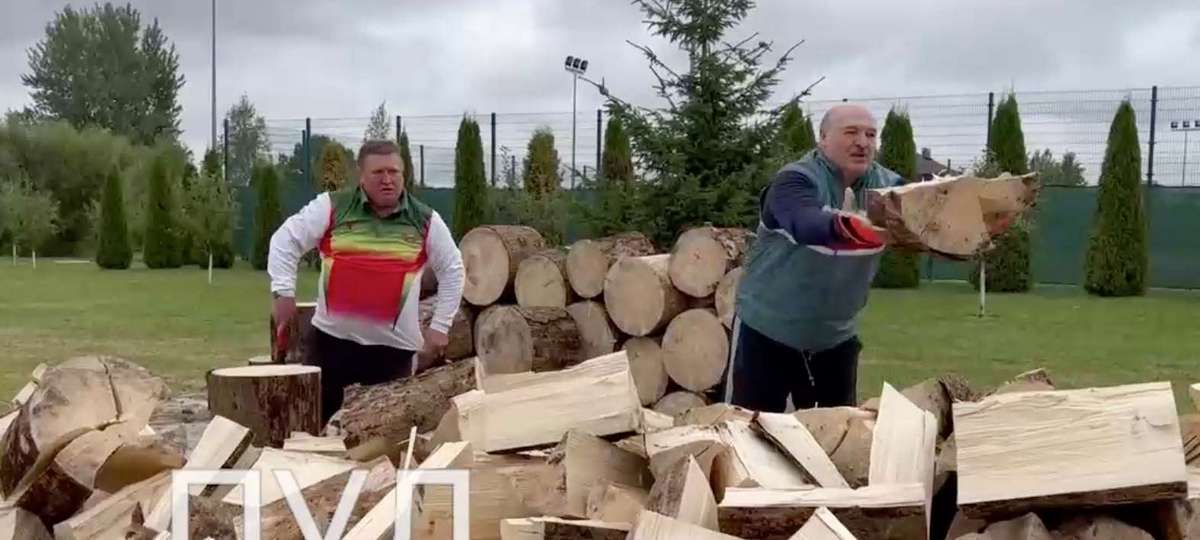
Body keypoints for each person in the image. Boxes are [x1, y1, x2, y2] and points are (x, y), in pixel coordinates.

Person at [268, 140, 464, 424]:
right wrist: (283, 292)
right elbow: (285, 240)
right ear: (361, 176)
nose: (387, 180)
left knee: (383, 439)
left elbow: (453, 270)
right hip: (330, 346)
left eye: (394, 172)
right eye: (378, 172)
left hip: (393, 355)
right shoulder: (333, 207)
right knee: (313, 433)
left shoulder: (425, 220)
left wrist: (440, 327)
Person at [726, 104, 900, 412]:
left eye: (871, 135)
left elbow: (930, 219)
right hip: (767, 334)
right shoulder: (795, 181)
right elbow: (805, 223)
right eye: (851, 132)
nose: (862, 142)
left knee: (837, 435)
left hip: (836, 340)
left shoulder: (889, 188)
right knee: (751, 432)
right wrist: (860, 226)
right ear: (823, 138)